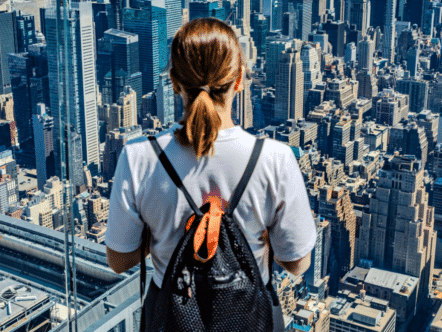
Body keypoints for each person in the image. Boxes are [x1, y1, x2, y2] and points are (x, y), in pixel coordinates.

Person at [104, 18, 316, 330]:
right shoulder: (276, 159)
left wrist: (161, 231)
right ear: (239, 79)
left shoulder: (138, 158)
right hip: (249, 317)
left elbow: (119, 261)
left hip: (172, 319)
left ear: (175, 82)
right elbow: (298, 263)